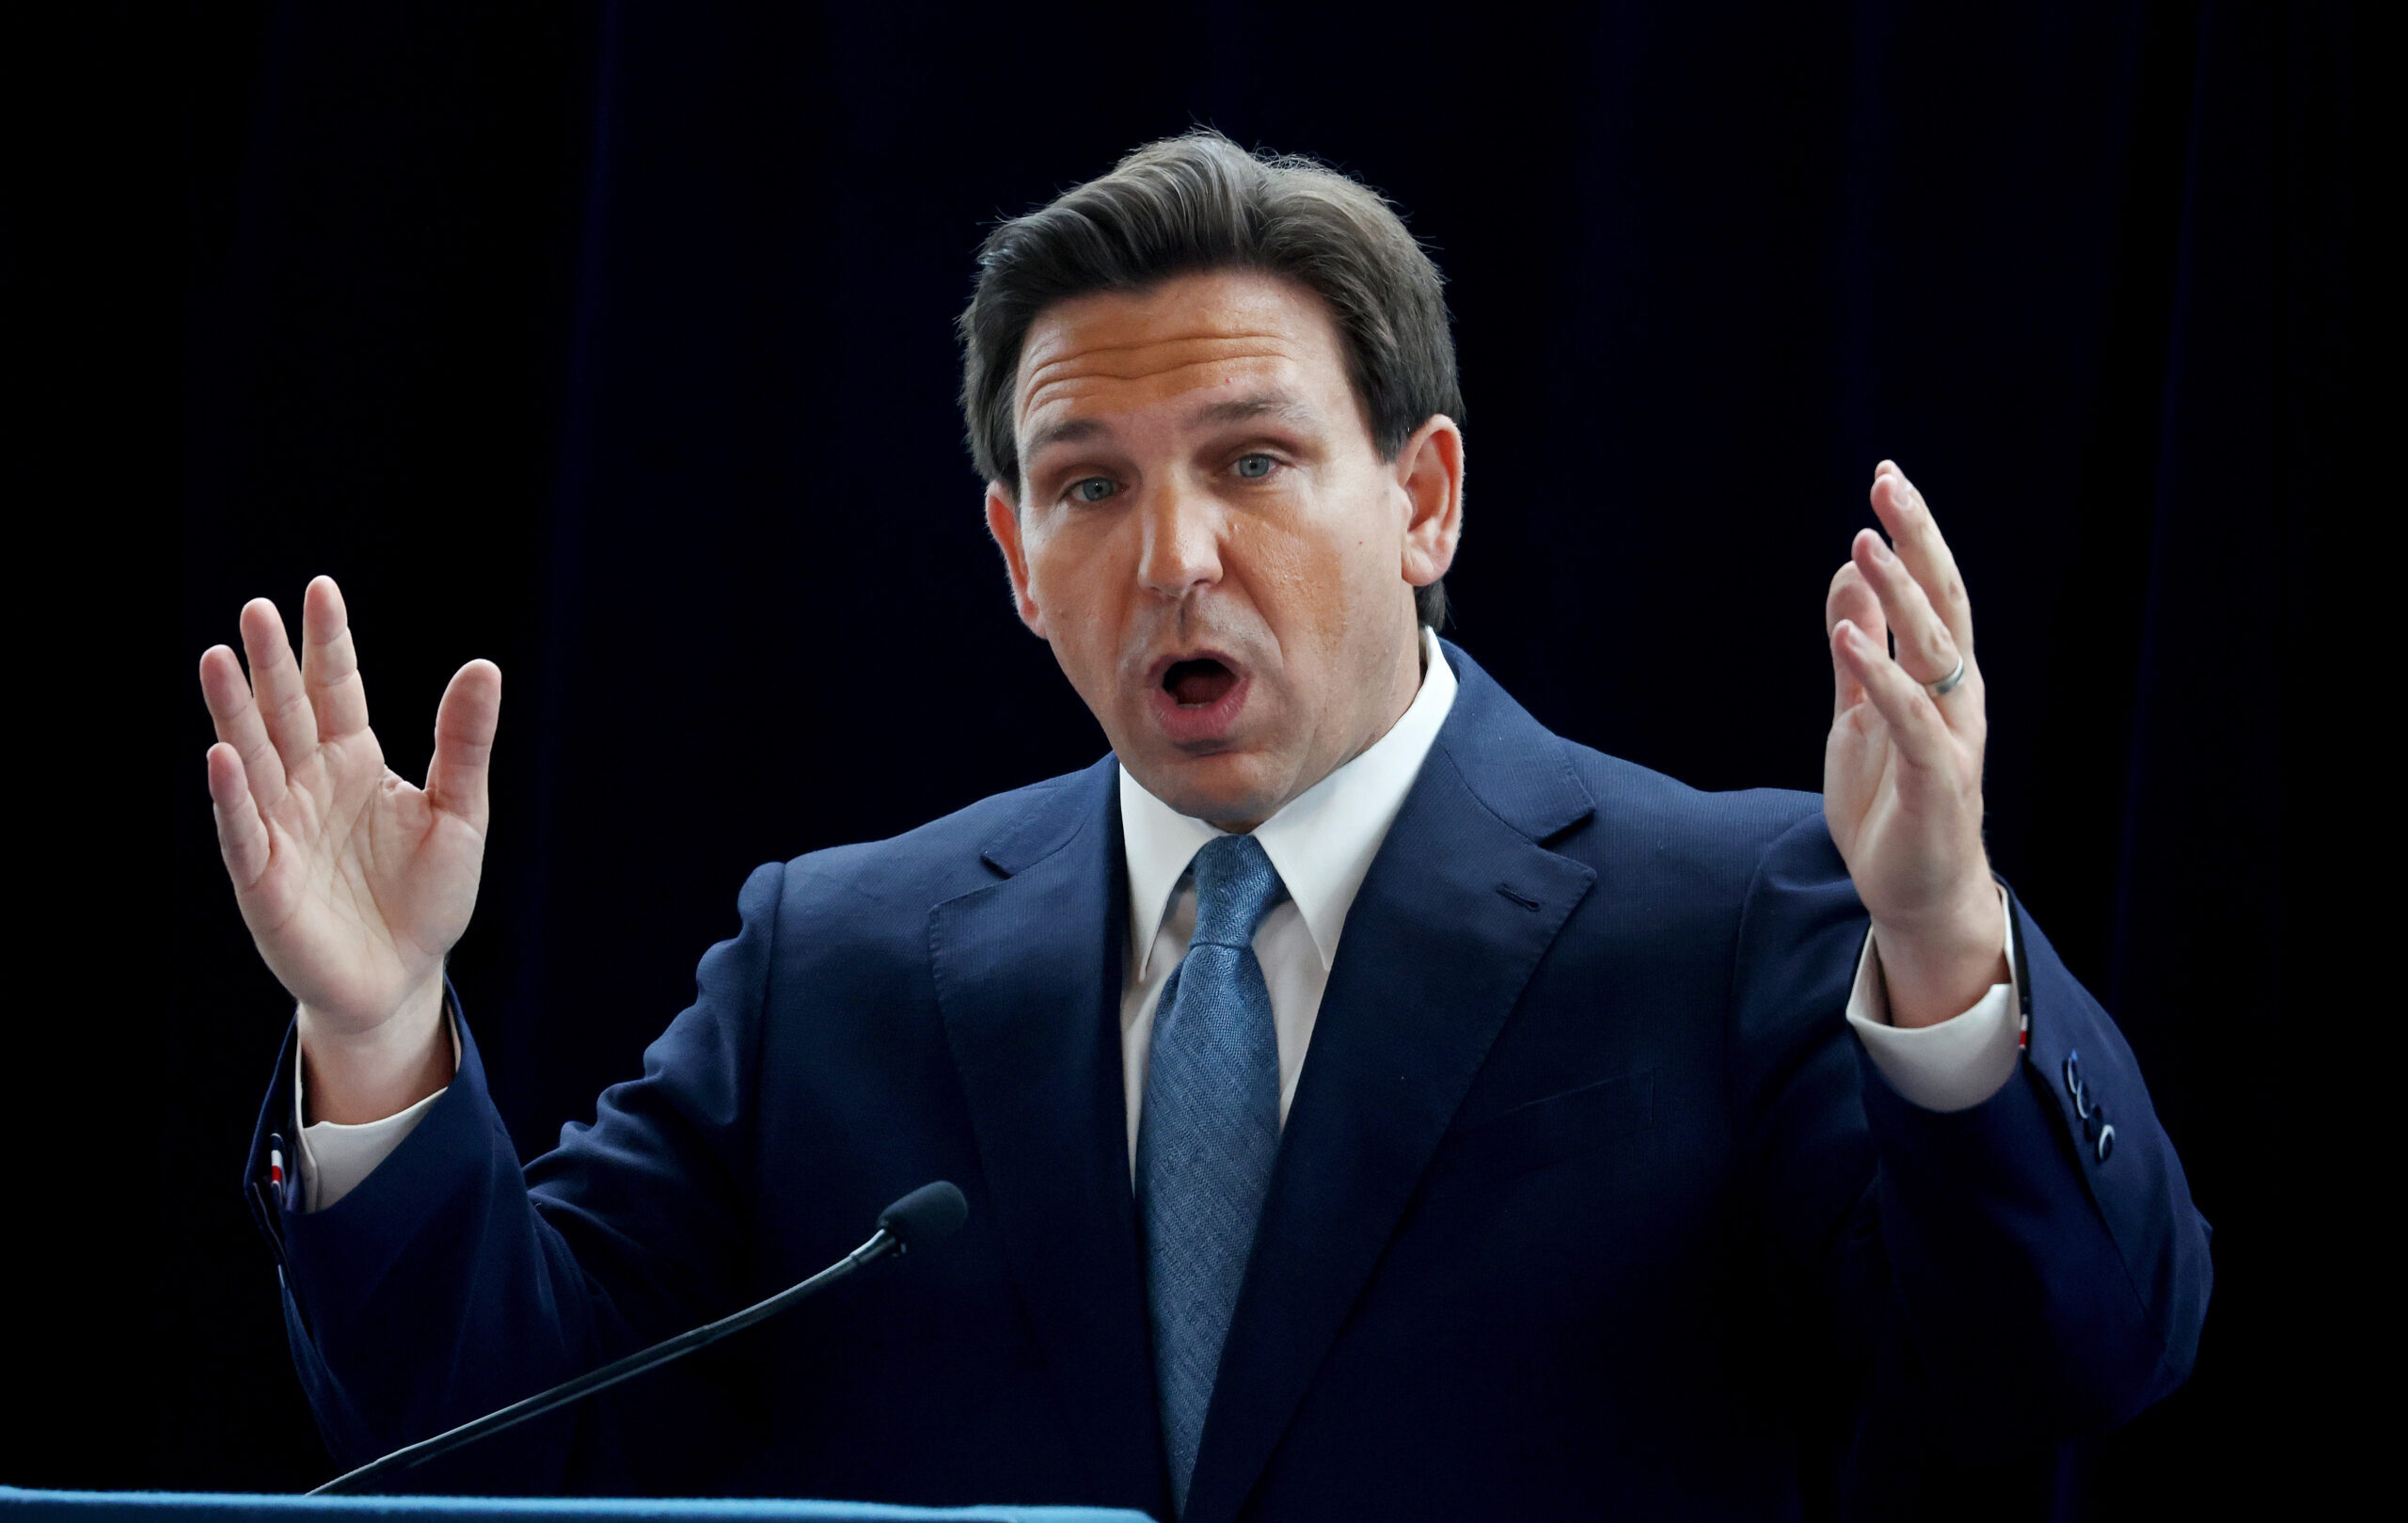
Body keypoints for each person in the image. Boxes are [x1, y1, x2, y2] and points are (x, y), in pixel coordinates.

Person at [202, 132, 2209, 1520]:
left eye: (1251, 459)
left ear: (1419, 499)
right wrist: (381, 1039)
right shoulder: (837, 963)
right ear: (1009, 553)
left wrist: (1943, 939)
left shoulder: (1740, 915)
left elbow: (2064, 1367)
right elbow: (489, 1444)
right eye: (1085, 487)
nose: (1172, 557)